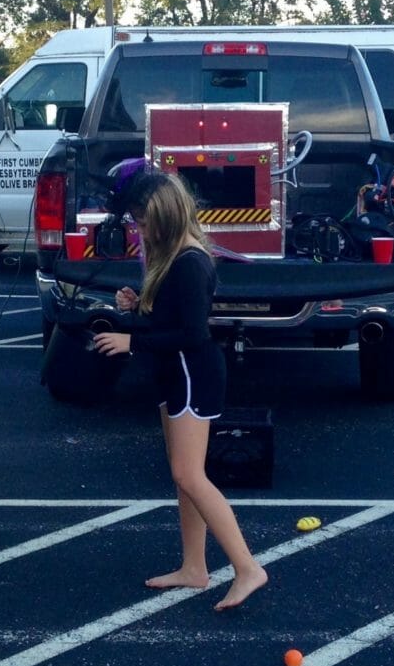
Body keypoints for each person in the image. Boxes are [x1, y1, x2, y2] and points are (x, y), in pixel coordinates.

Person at [92, 170, 268, 610]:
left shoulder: (189, 261)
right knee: (182, 476)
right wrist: (140, 308)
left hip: (193, 372)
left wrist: (133, 338)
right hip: (178, 372)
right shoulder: (174, 258)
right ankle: (194, 567)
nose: (140, 230)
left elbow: (192, 333)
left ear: (168, 217)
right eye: (136, 221)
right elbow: (170, 321)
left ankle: (248, 568)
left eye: (145, 221)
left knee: (189, 474)